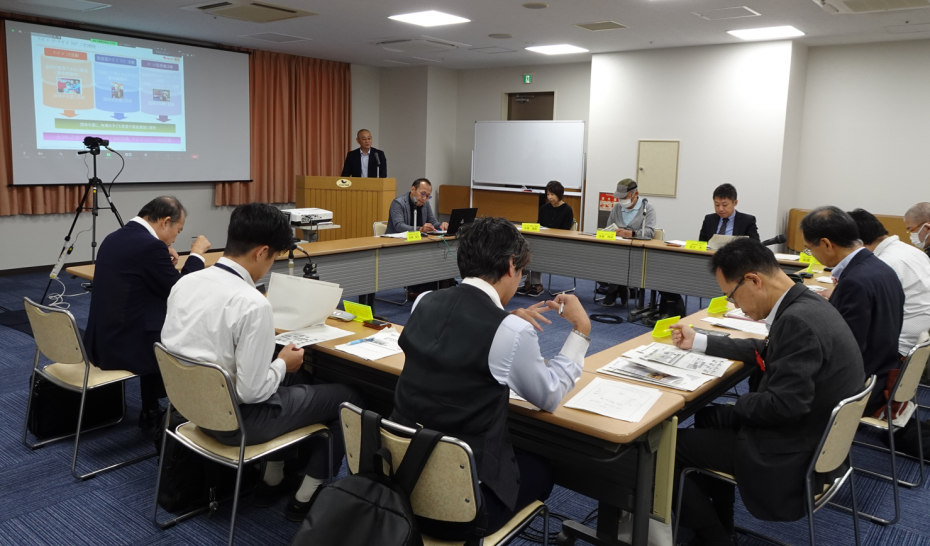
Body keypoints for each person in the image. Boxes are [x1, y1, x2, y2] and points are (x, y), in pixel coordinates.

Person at [161, 202, 364, 522]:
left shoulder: (186, 282)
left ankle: (273, 479)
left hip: (191, 409)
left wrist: (282, 367)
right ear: (261, 252)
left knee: (300, 382)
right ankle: (306, 496)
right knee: (349, 398)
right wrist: (282, 363)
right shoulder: (252, 304)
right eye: (273, 259)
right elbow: (252, 392)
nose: (270, 267)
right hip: (235, 424)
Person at [391, 216, 589, 539]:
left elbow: (454, 340)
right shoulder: (511, 331)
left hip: (401, 484)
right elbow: (550, 395)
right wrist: (581, 329)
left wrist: (506, 320)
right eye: (521, 272)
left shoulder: (424, 302)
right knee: (542, 468)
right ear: (511, 265)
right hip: (459, 511)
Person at [670, 238, 865, 546]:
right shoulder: (807, 303)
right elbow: (769, 349)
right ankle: (724, 524)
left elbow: (784, 407)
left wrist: (739, 404)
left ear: (754, 280)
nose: (736, 306)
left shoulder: (797, 321)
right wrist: (700, 341)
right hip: (818, 436)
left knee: (669, 449)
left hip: (792, 451)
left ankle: (715, 539)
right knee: (708, 416)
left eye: (732, 296)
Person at [83, 196, 211, 433]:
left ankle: (151, 408)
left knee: (154, 314)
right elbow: (182, 292)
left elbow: (142, 275)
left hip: (101, 339)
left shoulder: (114, 237)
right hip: (122, 346)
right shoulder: (149, 247)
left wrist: (161, 254)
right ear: (165, 222)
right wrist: (196, 255)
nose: (176, 238)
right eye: (178, 230)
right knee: (188, 328)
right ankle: (185, 409)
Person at [800, 206, 904, 413]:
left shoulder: (855, 281)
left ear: (826, 244)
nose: (811, 254)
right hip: (883, 371)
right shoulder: (881, 268)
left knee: (782, 378)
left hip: (862, 387)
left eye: (809, 248)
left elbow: (845, 350)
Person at [848, 209, 930, 358]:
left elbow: (865, 313)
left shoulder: (883, 263)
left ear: (855, 242)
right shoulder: (912, 251)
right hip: (921, 337)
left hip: (900, 347)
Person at [599, 179, 655, 307]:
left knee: (619, 261)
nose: (621, 200)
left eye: (624, 197)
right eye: (619, 197)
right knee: (599, 259)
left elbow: (650, 232)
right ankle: (620, 286)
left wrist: (632, 233)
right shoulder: (617, 208)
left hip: (636, 251)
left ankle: (613, 290)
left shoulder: (647, 209)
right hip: (617, 248)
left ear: (635, 194)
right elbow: (609, 227)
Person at [517, 180, 575, 297]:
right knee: (525, 249)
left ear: (559, 195)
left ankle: (537, 284)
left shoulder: (567, 210)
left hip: (557, 243)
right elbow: (539, 225)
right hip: (543, 240)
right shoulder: (544, 208)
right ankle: (527, 283)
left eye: (552, 194)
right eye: (548, 194)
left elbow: (565, 231)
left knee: (536, 252)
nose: (549, 197)